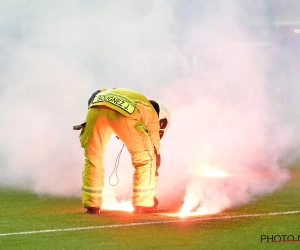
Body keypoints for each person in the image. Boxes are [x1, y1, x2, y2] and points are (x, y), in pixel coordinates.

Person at [73, 88, 170, 214]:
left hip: (95, 108)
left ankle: (92, 204)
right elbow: (155, 154)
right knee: (146, 159)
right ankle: (144, 203)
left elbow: (94, 96)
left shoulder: (132, 97)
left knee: (93, 156)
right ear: (161, 120)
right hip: (124, 114)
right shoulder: (150, 114)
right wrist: (151, 195)